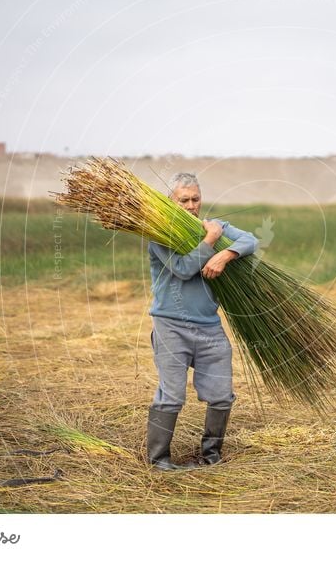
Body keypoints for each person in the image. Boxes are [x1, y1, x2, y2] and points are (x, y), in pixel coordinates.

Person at [146, 172, 259, 471]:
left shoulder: (215, 226)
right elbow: (183, 269)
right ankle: (159, 461)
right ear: (171, 201)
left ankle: (211, 455)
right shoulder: (159, 234)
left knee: (222, 394)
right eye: (184, 200)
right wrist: (210, 241)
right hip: (170, 325)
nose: (191, 205)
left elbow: (251, 239)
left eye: (195, 199)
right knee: (171, 396)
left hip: (209, 325)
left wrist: (226, 254)